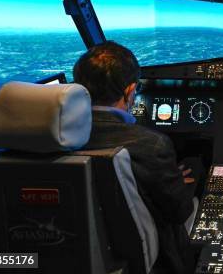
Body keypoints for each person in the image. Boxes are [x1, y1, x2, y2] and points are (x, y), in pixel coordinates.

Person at [73, 41, 197, 274]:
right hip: (146, 260)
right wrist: (172, 181)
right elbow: (180, 211)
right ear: (130, 92)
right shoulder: (151, 145)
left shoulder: (49, 140)